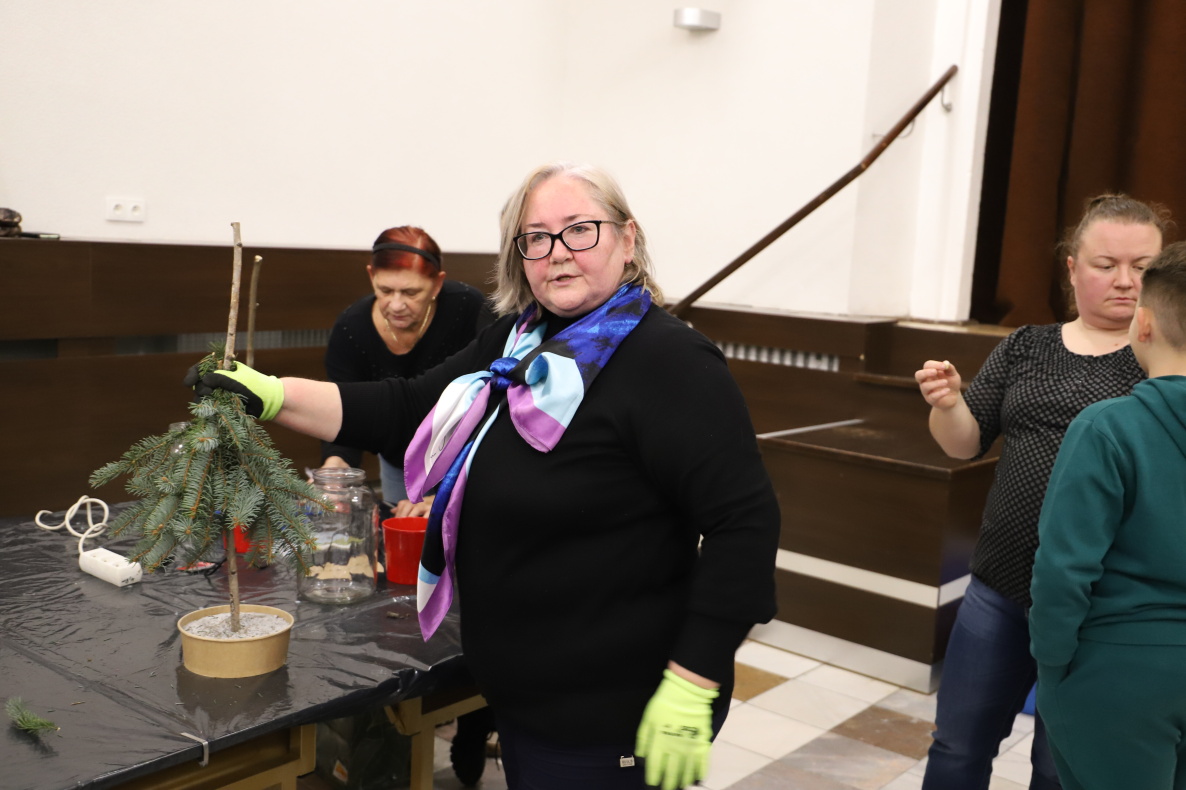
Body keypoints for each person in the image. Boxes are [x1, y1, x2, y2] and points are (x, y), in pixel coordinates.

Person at [189, 161, 781, 790]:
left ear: (627, 238)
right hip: (525, 697)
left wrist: (693, 680)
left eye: (580, 229)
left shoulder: (670, 361)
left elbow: (744, 524)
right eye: (536, 237)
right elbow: (407, 407)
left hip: (610, 711)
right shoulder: (519, 342)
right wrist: (272, 394)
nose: (558, 252)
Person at [913, 194, 1170, 790]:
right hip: (999, 586)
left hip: (1100, 605)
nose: (1126, 281)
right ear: (1072, 268)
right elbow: (964, 444)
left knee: (1061, 767)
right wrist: (948, 404)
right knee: (957, 746)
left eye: (1143, 267)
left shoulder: (1163, 362)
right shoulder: (1027, 345)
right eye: (1106, 264)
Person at [1029, 242, 1186, 790]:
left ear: (1143, 324)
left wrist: (1053, 668)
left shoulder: (1107, 427)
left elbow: (1062, 569)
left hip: (1117, 670)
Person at [320, 226, 493, 514]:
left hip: (464, 456)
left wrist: (451, 493)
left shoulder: (468, 308)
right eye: (385, 290)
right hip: (399, 459)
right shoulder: (352, 329)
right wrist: (335, 465)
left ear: (437, 284)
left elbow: (497, 395)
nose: (397, 305)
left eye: (411, 292)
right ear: (371, 276)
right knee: (403, 525)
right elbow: (345, 409)